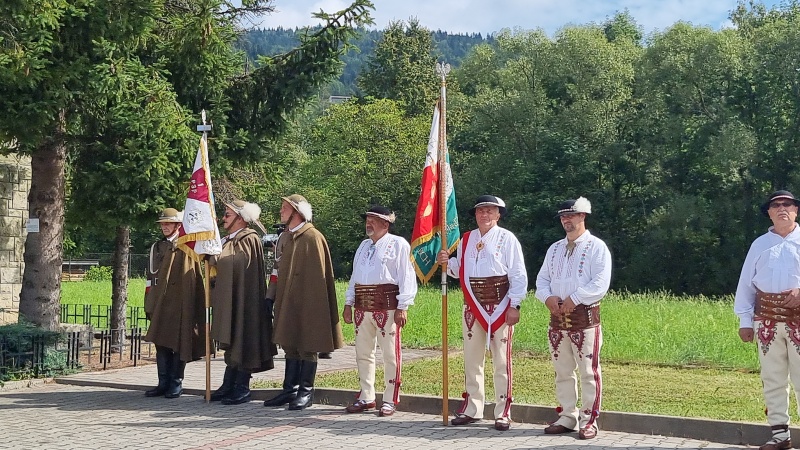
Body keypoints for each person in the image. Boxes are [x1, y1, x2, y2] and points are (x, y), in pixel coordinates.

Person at [436, 195, 527, 431]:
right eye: (480, 211)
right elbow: (460, 270)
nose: (484, 215)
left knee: (501, 361)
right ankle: (472, 408)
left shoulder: (507, 238)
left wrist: (515, 305)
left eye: (489, 211)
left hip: (500, 305)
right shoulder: (466, 239)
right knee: (472, 359)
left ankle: (503, 411)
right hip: (473, 307)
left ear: (498, 215)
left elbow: (518, 274)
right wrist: (447, 262)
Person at [535, 197, 612, 440]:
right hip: (558, 319)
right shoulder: (555, 248)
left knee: (589, 371)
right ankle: (568, 415)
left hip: (584, 318)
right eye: (563, 216)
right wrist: (547, 297)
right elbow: (542, 280)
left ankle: (589, 419)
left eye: (571, 215)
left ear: (582, 216)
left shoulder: (597, 247)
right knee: (562, 370)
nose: (566, 220)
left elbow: (600, 283)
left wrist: (576, 298)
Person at [264, 194, 344, 411]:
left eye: (285, 208)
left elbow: (319, 277)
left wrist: (314, 305)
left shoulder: (312, 237)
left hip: (308, 302)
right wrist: (270, 296)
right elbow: (276, 270)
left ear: (297, 212)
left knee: (307, 345)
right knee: (289, 344)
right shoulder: (285, 238)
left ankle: (306, 391)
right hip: (286, 300)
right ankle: (289, 389)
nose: (281, 211)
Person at [735, 190, 800, 450]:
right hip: (767, 321)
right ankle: (780, 435)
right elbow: (746, 283)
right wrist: (745, 320)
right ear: (769, 213)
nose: (782, 208)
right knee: (772, 378)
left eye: (788, 204)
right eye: (776, 205)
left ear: (796, 210)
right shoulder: (760, 245)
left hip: (799, 319)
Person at [343, 206, 417, 417]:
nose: (369, 223)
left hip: (387, 305)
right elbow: (355, 276)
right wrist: (348, 303)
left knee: (390, 353)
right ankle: (366, 396)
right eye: (367, 219)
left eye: (373, 220)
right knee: (363, 353)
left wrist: (403, 306)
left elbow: (406, 275)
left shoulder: (398, 244)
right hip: (362, 305)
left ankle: (390, 398)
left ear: (386, 223)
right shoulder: (363, 246)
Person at [208, 200, 276, 405]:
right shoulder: (227, 240)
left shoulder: (249, 238)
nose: (223, 218)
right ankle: (229, 383)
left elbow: (236, 263)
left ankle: (242, 386)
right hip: (230, 298)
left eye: (227, 215)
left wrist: (216, 254)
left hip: (245, 301)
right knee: (232, 337)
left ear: (240, 218)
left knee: (243, 338)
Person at [144, 208, 205, 399]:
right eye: (162, 223)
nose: (164, 226)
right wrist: (149, 301)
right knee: (160, 342)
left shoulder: (187, 246)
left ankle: (176, 382)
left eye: (168, 223)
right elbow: (150, 278)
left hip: (180, 302)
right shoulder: (158, 247)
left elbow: (194, 277)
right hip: (160, 301)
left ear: (178, 225)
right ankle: (163, 383)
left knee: (179, 342)